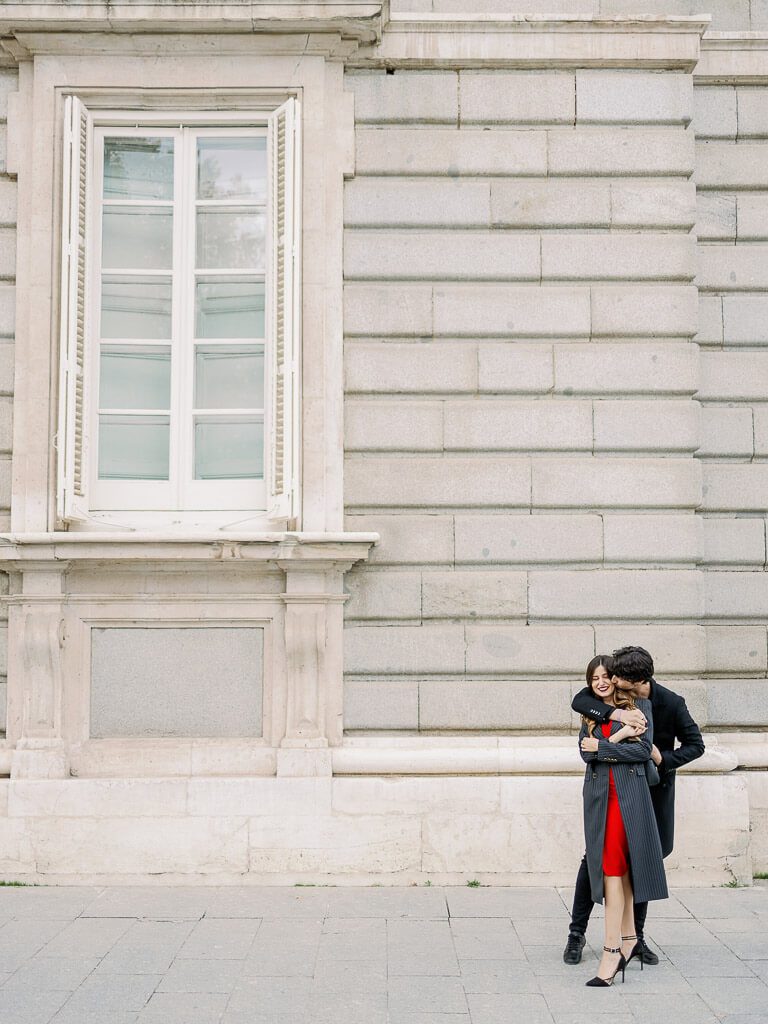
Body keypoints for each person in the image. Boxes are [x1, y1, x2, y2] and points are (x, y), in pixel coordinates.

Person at [564, 646, 705, 967]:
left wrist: (660, 758)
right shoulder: (609, 701)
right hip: (615, 785)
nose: (609, 681)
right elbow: (579, 700)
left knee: (642, 857)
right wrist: (615, 719)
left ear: (636, 680)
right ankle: (577, 932)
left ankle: (634, 938)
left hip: (653, 788)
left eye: (615, 677)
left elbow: (696, 745)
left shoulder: (670, 703)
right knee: (594, 857)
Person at [577, 655, 668, 986]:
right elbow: (584, 753)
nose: (600, 682)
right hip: (599, 799)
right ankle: (629, 940)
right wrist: (615, 740)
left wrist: (602, 747)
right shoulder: (591, 711)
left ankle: (611, 949)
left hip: (628, 797)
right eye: (594, 677)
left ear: (615, 679)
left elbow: (643, 752)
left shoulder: (639, 706)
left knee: (613, 869)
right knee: (617, 869)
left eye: (606, 676)